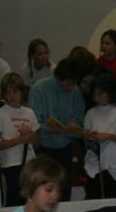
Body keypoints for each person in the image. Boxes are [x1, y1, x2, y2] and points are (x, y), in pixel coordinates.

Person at [29, 58, 87, 201]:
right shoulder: (39, 89)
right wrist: (46, 127)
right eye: (68, 83)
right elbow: (32, 119)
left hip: (65, 146)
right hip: (43, 147)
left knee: (64, 188)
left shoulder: (76, 92)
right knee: (43, 187)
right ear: (59, 77)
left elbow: (79, 116)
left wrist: (74, 124)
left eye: (74, 83)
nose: (71, 87)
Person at [82, 72, 116, 199]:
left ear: (110, 92)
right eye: (94, 94)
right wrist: (89, 137)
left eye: (100, 93)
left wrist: (107, 136)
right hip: (96, 166)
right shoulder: (90, 113)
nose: (96, 97)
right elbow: (86, 142)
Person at [0, 72, 40, 207]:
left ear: (21, 92)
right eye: (8, 92)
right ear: (4, 94)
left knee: (30, 204)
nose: (12, 96)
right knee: (11, 205)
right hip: (10, 166)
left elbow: (37, 143)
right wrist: (20, 139)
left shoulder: (29, 112)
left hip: (30, 165)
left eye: (15, 92)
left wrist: (30, 135)